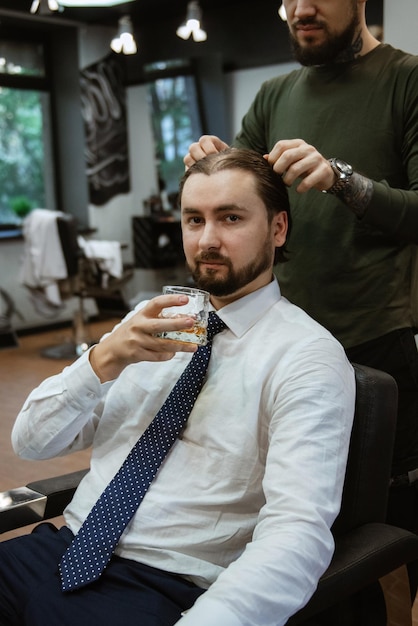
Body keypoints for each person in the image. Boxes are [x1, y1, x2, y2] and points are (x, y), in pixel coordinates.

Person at [1, 149, 355, 626]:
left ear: (278, 229)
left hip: (163, 581)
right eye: (194, 220)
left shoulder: (306, 357)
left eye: (231, 218)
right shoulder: (150, 322)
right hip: (62, 545)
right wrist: (102, 360)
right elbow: (31, 442)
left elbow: (297, 532)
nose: (207, 239)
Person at [185, 0, 418, 541]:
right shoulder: (275, 95)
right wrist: (208, 162)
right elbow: (239, 192)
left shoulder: (406, 81)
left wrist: (342, 179)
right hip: (278, 345)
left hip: (373, 340)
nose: (301, 9)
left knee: (382, 524)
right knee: (293, 513)